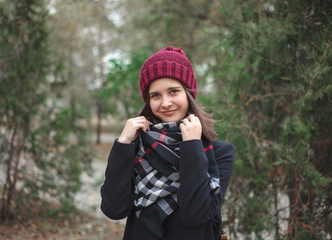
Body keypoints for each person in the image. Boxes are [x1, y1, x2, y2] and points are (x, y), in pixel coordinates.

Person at [100, 46, 234, 240]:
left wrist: (192, 146)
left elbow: (196, 215)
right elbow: (114, 209)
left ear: (188, 93)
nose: (165, 103)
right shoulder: (137, 146)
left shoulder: (219, 152)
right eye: (155, 95)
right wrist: (123, 144)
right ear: (148, 100)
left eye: (173, 91)